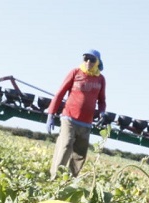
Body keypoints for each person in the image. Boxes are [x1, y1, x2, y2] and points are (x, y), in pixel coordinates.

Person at [46, 50, 107, 179]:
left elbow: (102, 101)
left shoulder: (101, 79)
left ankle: (70, 180)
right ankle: (55, 178)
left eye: (92, 60)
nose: (88, 62)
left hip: (86, 122)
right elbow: (60, 93)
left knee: (80, 154)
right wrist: (50, 114)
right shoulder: (75, 72)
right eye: (86, 59)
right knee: (65, 145)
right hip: (69, 117)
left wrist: (102, 113)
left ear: (98, 62)